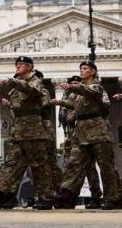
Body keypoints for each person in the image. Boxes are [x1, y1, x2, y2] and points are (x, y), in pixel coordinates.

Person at [55, 61, 121, 210]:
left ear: (92, 71)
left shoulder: (96, 87)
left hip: (98, 132)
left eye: (85, 69)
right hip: (81, 133)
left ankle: (113, 197)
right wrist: (61, 102)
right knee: (74, 164)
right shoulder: (79, 92)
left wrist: (72, 86)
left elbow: (89, 92)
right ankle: (66, 196)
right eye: (81, 69)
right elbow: (75, 105)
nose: (82, 71)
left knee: (106, 166)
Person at [0, 56, 54, 210]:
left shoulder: (35, 81)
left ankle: (46, 197)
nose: (18, 67)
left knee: (39, 165)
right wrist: (10, 105)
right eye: (17, 64)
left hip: (33, 130)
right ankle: (3, 193)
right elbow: (19, 106)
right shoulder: (16, 88)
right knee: (11, 164)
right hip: (18, 130)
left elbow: (32, 91)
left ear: (30, 67)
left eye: (21, 64)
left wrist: (12, 82)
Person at [56, 75, 103, 209]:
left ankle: (95, 195)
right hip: (72, 136)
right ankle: (68, 196)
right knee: (72, 167)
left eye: (77, 84)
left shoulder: (86, 96)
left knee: (90, 168)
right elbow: (65, 121)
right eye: (72, 84)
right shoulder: (69, 99)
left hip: (86, 134)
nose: (74, 86)